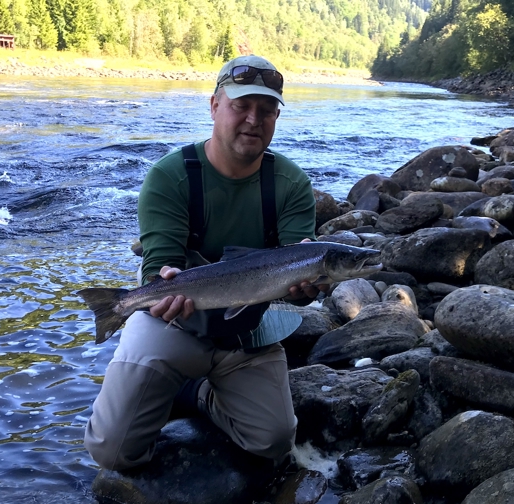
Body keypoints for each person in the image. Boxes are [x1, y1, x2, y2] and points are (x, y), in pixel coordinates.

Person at [84, 55, 321, 472]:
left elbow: (298, 277)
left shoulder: (291, 184)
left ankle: (197, 394)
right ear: (214, 106)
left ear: (276, 117)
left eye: (267, 110)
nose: (253, 120)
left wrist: (306, 289)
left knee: (273, 441)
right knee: (112, 452)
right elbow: (159, 265)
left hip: (247, 329)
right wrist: (159, 285)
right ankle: (172, 374)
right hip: (174, 324)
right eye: (241, 106)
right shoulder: (170, 176)